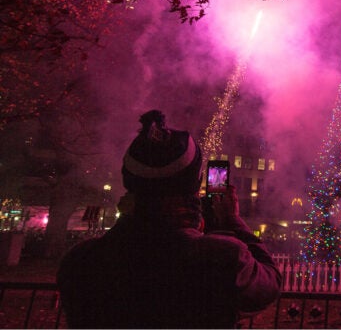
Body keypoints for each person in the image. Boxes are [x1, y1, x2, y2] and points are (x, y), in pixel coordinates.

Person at [57, 110, 282, 328]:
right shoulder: (223, 258)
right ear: (195, 182)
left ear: (129, 179)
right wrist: (232, 220)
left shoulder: (80, 262)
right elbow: (269, 285)